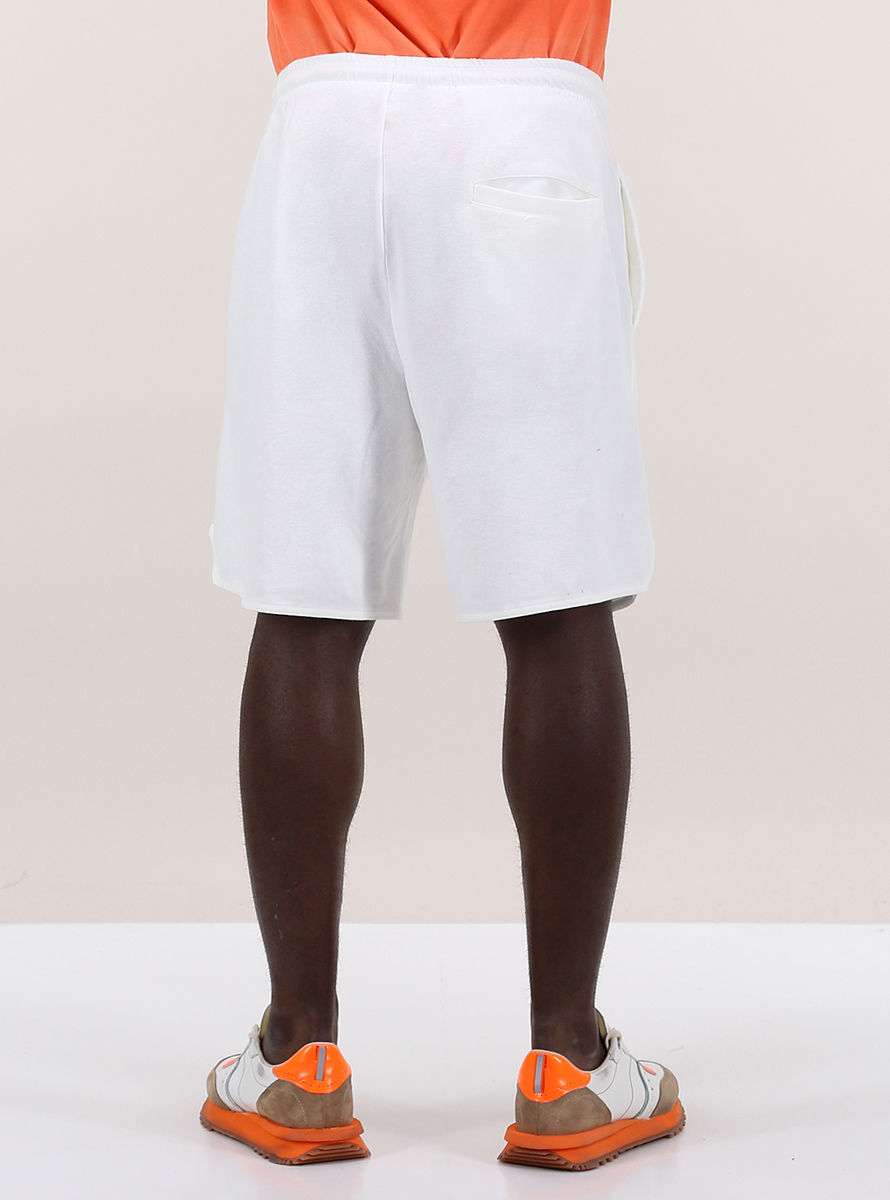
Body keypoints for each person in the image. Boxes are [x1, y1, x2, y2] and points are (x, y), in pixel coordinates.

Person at [200, 0, 684, 1172]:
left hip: (322, 126)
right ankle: (567, 1066)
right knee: (557, 595)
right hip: (524, 115)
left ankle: (297, 1062)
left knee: (305, 593)